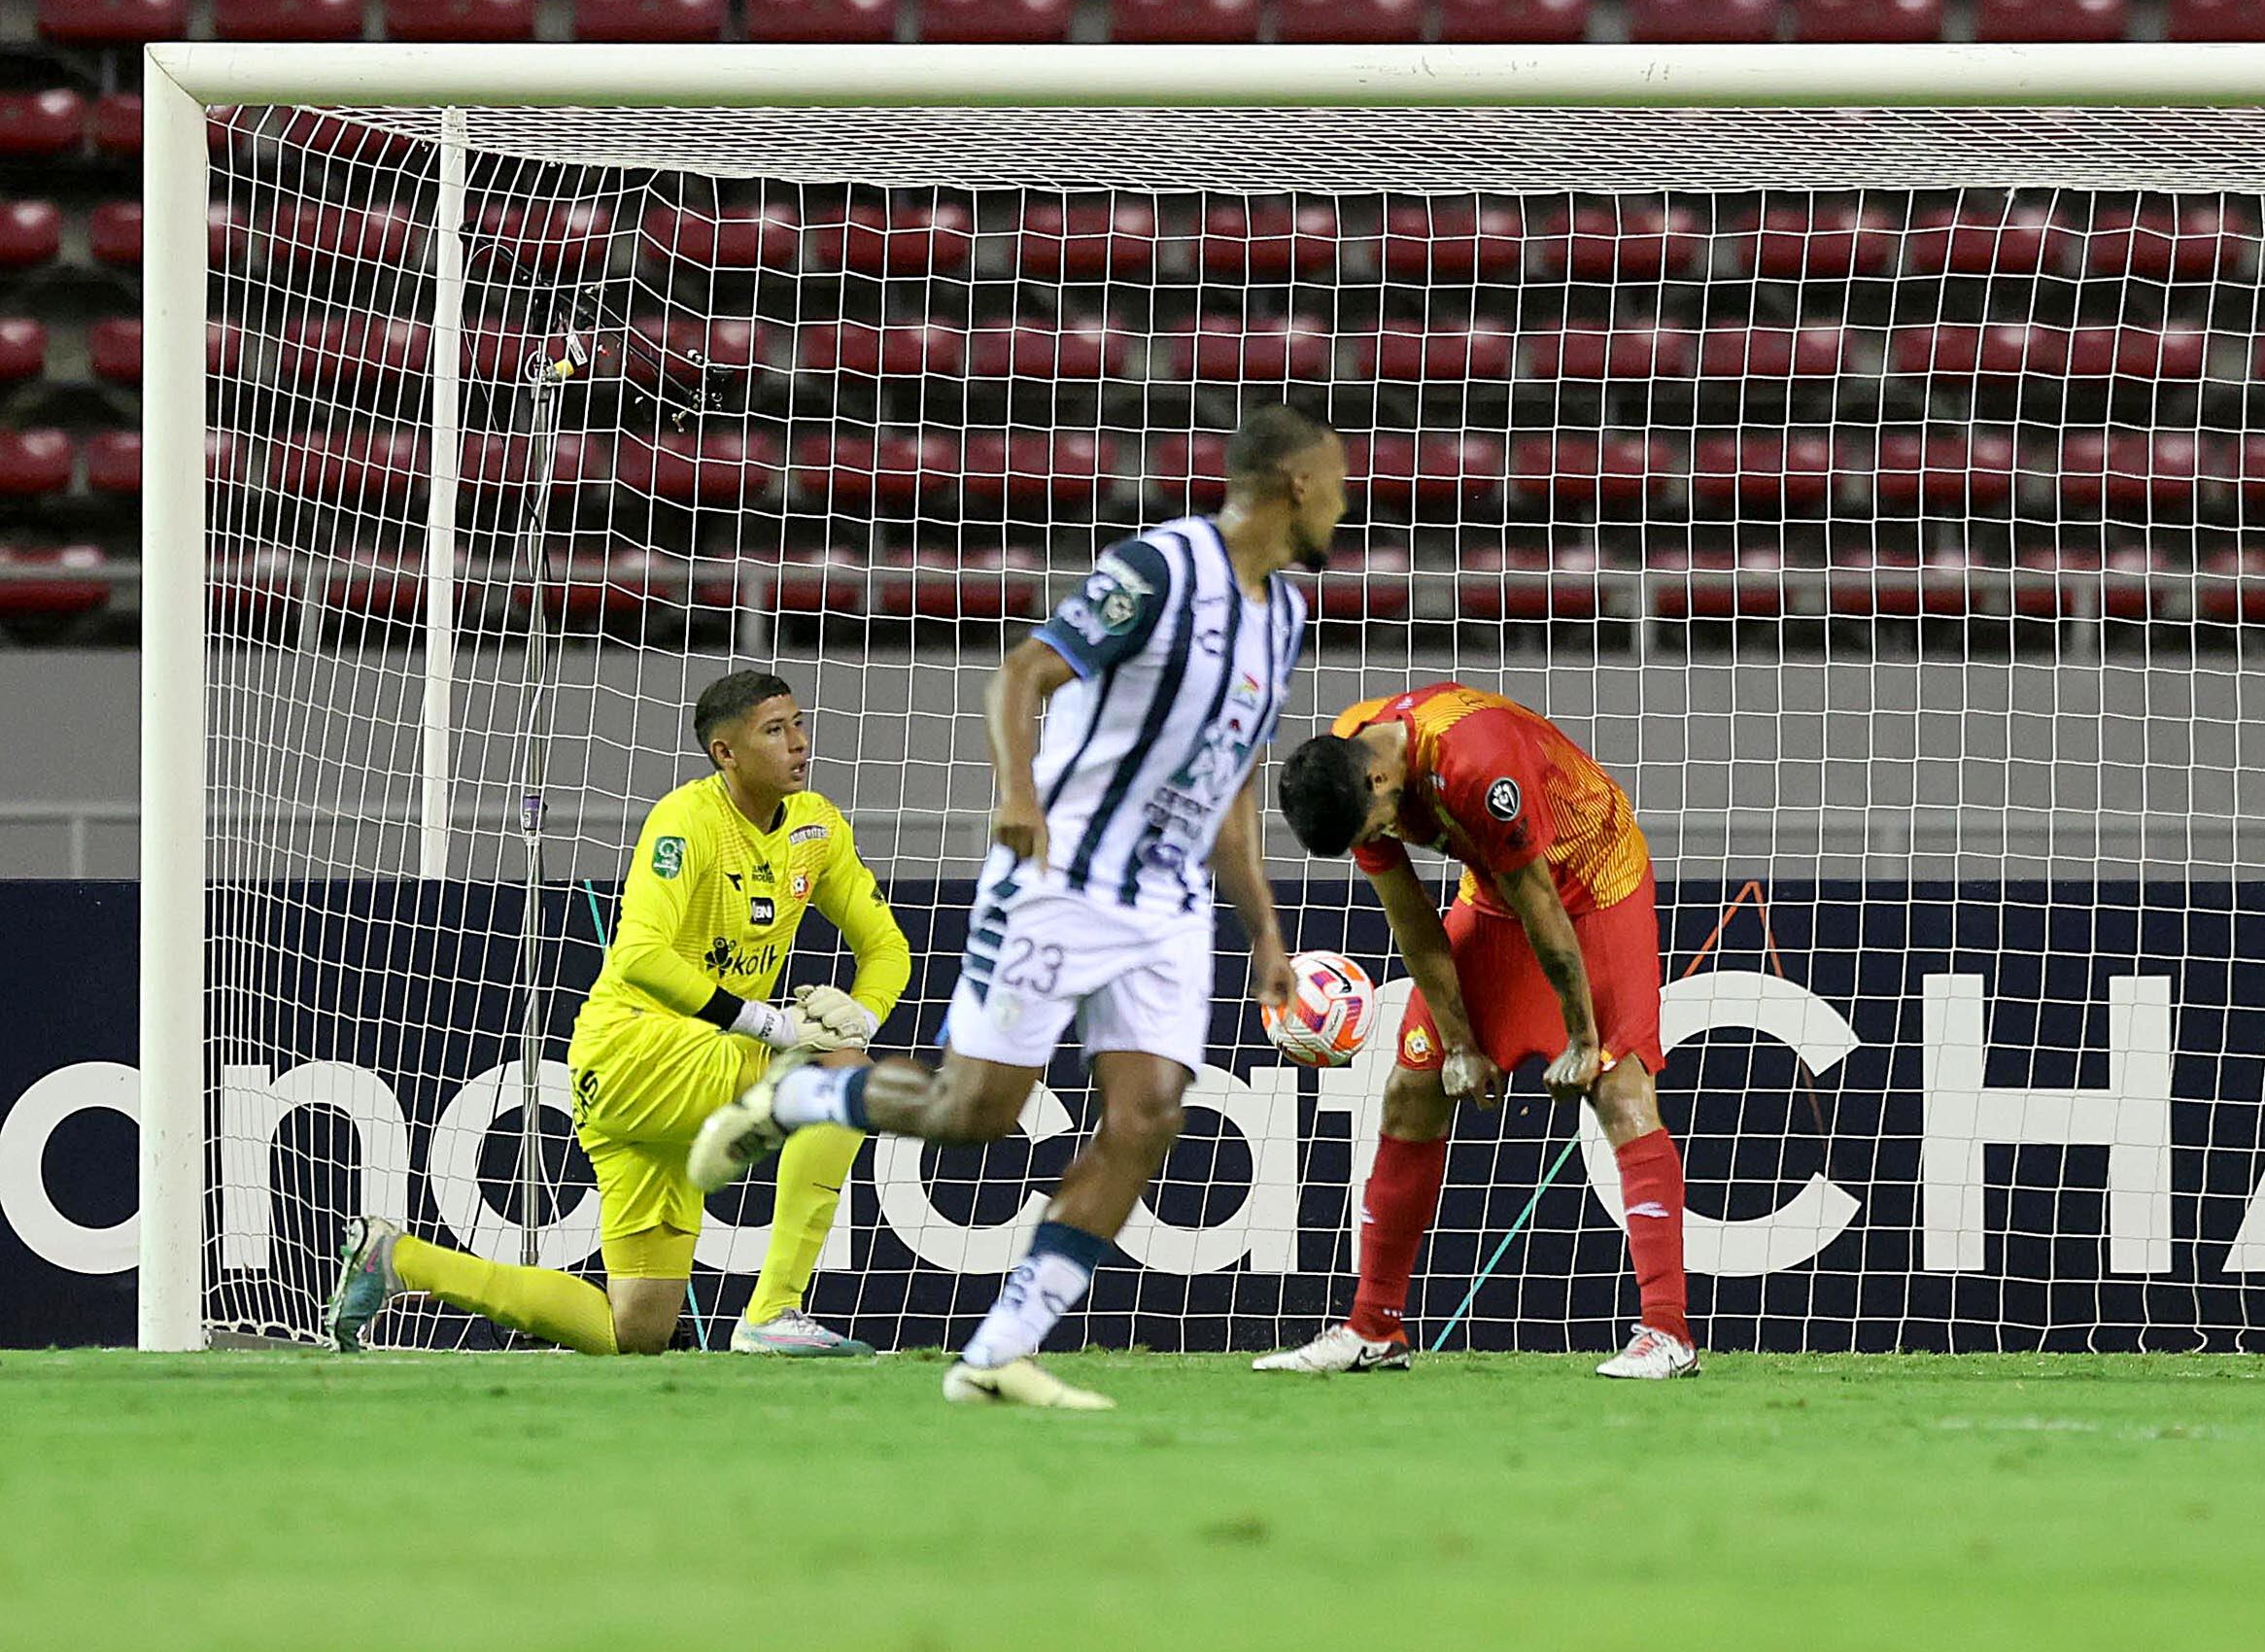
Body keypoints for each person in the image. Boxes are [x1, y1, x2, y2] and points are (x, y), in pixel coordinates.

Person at [686, 400, 1347, 1410]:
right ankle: (804, 1094)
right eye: (1338, 486)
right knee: (975, 1112)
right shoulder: (1158, 572)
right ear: (1296, 483)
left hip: (1166, 906)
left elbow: (1230, 782)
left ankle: (1002, 1348)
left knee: (1148, 1117)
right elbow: (1021, 674)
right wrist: (1017, 793)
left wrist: (1261, 927)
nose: (1346, 510)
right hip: (1060, 878)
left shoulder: (1287, 616)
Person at [327, 669, 907, 1358]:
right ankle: (774, 1310)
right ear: (726, 753)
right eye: (774, 731)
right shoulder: (687, 823)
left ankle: (398, 1260)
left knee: (632, 1331)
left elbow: (886, 946)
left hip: (679, 1080)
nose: (799, 744)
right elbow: (637, 957)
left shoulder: (817, 828)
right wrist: (771, 1024)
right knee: (840, 1078)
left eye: (799, 724)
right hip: (637, 1051)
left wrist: (862, 1015)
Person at [1261, 684, 1697, 1380]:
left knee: (1619, 1090)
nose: (1375, 841)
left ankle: (1668, 1334)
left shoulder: (1475, 762)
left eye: (1373, 829)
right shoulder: (1353, 756)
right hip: (1494, 894)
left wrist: (1583, 1040)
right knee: (1412, 1087)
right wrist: (1460, 1044)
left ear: (1380, 779)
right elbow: (1411, 917)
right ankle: (1373, 1328)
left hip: (1591, 883)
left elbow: (1543, 903)